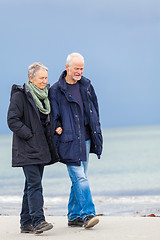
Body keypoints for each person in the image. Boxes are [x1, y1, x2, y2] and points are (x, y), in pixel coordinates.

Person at [49, 53, 103, 229]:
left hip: (86, 139)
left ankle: (73, 216)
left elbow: (95, 110)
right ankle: (88, 214)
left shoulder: (86, 86)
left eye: (82, 68)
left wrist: (97, 130)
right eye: (76, 68)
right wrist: (57, 126)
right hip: (68, 140)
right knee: (80, 178)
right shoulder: (56, 90)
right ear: (67, 67)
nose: (79, 71)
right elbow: (52, 115)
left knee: (79, 179)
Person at [7, 62, 59, 234]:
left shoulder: (45, 96)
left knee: (31, 185)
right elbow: (12, 120)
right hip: (27, 148)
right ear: (31, 78)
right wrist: (30, 135)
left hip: (41, 148)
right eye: (41, 78)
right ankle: (38, 221)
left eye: (46, 78)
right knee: (35, 185)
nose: (45, 81)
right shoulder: (20, 96)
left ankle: (25, 223)